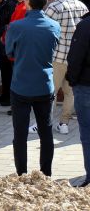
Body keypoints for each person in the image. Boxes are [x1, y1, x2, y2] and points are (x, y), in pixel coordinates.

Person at [5, 0, 60, 176]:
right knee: (46, 132)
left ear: (27, 1)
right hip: (44, 84)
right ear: (45, 3)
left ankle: (22, 173)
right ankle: (46, 173)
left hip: (21, 84)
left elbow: (9, 52)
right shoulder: (54, 26)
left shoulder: (16, 26)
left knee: (20, 134)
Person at [43, 0, 89, 135]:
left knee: (50, 92)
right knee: (70, 93)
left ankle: (45, 122)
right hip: (75, 57)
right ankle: (64, 123)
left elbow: (44, 30)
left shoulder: (54, 7)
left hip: (56, 56)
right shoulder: (83, 7)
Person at [66, 10, 90, 186]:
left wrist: (73, 80)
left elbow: (75, 57)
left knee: (87, 133)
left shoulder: (85, 25)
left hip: (85, 85)